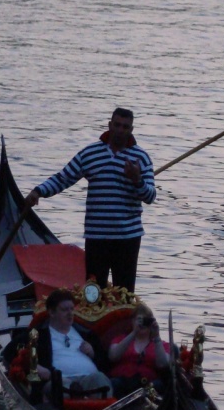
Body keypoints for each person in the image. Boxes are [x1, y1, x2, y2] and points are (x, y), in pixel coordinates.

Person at [25, 107, 155, 293]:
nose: (120, 130)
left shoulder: (141, 158)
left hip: (127, 237)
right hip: (96, 236)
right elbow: (63, 178)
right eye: (117, 125)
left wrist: (137, 180)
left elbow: (150, 196)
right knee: (93, 292)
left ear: (131, 130)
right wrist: (38, 192)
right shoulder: (90, 153)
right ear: (109, 125)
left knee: (124, 293)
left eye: (125, 127)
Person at [35, 288, 112, 397]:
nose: (70, 313)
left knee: (100, 379)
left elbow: (106, 362)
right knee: (60, 387)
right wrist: (36, 367)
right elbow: (15, 353)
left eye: (72, 309)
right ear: (52, 312)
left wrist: (93, 353)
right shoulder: (39, 334)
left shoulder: (86, 333)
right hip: (60, 380)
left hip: (89, 379)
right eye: (64, 310)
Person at [107, 302, 172, 397]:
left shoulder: (162, 345)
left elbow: (163, 364)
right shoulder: (120, 340)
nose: (143, 323)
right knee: (114, 383)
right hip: (121, 383)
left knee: (158, 386)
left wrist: (156, 337)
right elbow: (113, 356)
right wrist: (134, 332)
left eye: (146, 320)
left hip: (148, 386)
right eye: (140, 320)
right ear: (132, 321)